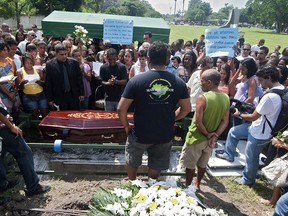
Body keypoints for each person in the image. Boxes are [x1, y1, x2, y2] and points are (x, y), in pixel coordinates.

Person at [117, 41, 191, 180]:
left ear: (149, 58)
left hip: (140, 131)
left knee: (133, 160)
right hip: (164, 133)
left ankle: (133, 183)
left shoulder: (136, 81)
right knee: (157, 164)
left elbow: (121, 108)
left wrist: (126, 126)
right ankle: (151, 185)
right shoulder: (178, 82)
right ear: (167, 59)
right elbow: (186, 108)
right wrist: (173, 117)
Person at [216, 65, 284, 186]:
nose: (260, 83)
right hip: (261, 127)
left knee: (251, 156)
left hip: (260, 132)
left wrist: (239, 114)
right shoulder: (282, 89)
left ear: (268, 78)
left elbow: (253, 117)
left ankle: (248, 179)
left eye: (261, 80)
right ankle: (229, 154)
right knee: (234, 132)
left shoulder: (270, 96)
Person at [179, 69, 230, 189]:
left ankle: (188, 187)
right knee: (203, 164)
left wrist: (207, 134)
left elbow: (198, 122)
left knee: (190, 165)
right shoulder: (225, 97)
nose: (200, 83)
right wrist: (215, 135)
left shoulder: (202, 98)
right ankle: (198, 185)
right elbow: (225, 121)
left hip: (196, 137)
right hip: (211, 141)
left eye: (202, 81)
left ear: (209, 82)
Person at [0, 98, 50, 197]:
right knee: (24, 153)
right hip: (3, 128)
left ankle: (2, 185)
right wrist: (11, 126)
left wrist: (6, 116)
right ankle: (32, 187)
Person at [45, 43, 84, 110]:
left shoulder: (74, 63)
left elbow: (79, 79)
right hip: (59, 96)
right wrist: (50, 99)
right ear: (56, 54)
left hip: (73, 95)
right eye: (61, 54)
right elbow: (49, 83)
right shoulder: (50, 65)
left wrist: (81, 93)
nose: (64, 56)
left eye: (65, 54)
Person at [16, 53, 48, 119]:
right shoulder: (19, 72)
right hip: (28, 96)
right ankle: (38, 129)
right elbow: (20, 88)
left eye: (31, 62)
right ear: (23, 63)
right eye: (27, 63)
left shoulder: (38, 70)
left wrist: (40, 82)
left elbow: (44, 83)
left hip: (41, 94)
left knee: (45, 113)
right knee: (35, 114)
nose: (29, 65)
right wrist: (22, 83)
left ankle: (45, 128)